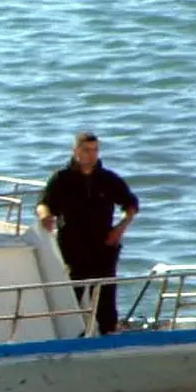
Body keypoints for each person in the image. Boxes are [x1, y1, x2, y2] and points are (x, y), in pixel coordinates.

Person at [36, 131, 139, 336]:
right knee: (75, 290)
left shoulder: (108, 179)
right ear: (75, 151)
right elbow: (43, 204)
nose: (91, 155)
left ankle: (108, 331)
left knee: (106, 292)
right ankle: (74, 333)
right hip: (73, 245)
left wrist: (120, 228)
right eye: (86, 150)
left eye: (95, 150)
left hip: (104, 243)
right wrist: (45, 217)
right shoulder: (62, 179)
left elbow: (131, 205)